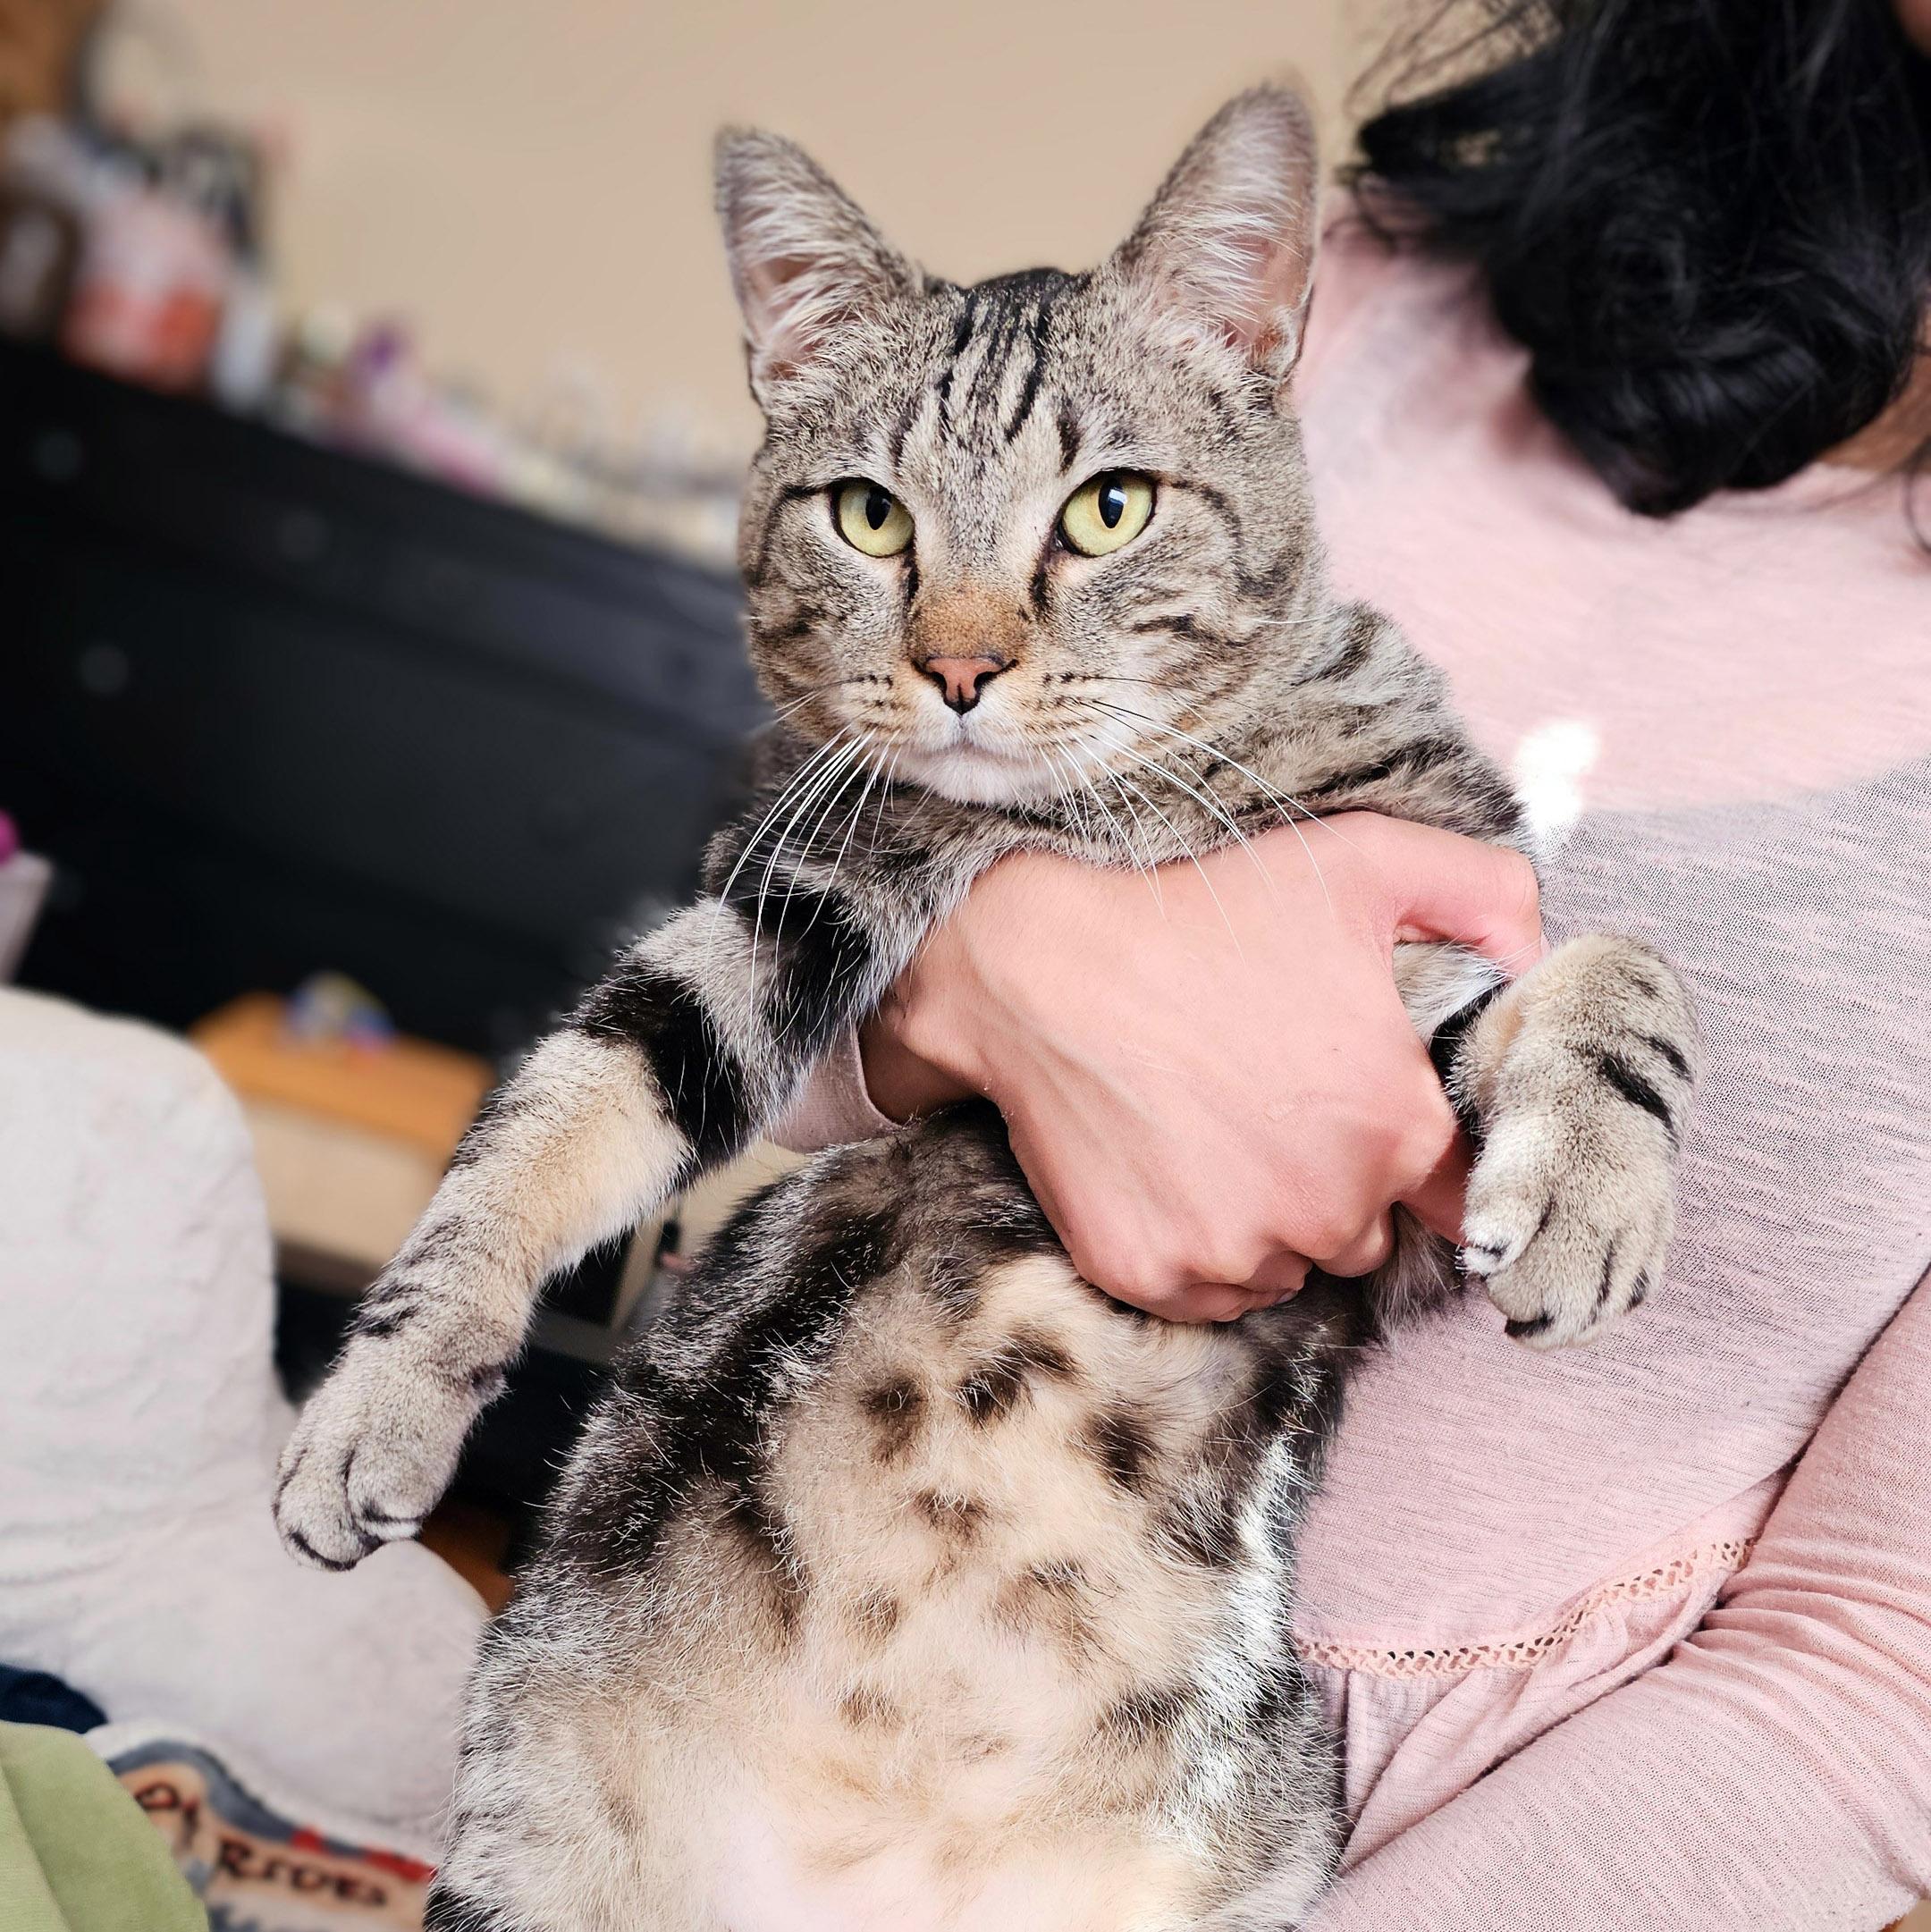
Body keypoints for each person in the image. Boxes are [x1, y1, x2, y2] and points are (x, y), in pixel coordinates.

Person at [779, 1, 1931, 1923]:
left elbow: (1869, 1679)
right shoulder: (1352, 305)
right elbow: (746, 979)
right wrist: (975, 962)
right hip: (790, 1710)